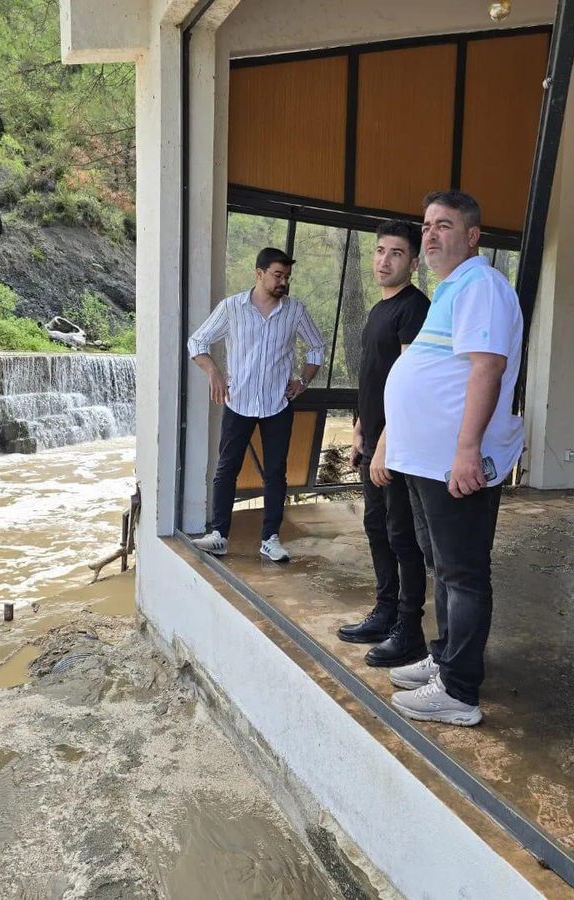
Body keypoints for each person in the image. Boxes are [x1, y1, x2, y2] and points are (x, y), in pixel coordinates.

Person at [370, 190, 524, 727]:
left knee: (462, 572)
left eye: (444, 225)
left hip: (452, 465)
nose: (430, 234)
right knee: (443, 567)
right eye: (427, 224)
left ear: (473, 236)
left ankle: (458, 690)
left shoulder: (481, 285)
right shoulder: (452, 291)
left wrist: (466, 452)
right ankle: (445, 657)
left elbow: (487, 368)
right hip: (427, 462)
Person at [187, 247, 326, 562]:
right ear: (259, 273)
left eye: (287, 277)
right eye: (277, 275)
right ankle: (219, 535)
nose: (283, 282)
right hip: (239, 402)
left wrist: (302, 382)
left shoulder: (295, 311)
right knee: (227, 468)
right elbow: (197, 341)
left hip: (278, 404)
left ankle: (270, 539)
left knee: (275, 473)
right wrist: (214, 372)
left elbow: (317, 347)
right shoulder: (232, 308)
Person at [337, 221, 432, 665]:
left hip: (398, 445)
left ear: (413, 263)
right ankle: (385, 610)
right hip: (374, 440)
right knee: (377, 528)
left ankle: (408, 629)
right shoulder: (379, 310)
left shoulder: (415, 309)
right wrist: (359, 429)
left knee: (402, 536)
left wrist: (387, 445)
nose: (383, 260)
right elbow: (372, 377)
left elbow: (411, 384)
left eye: (395, 253)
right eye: (378, 251)